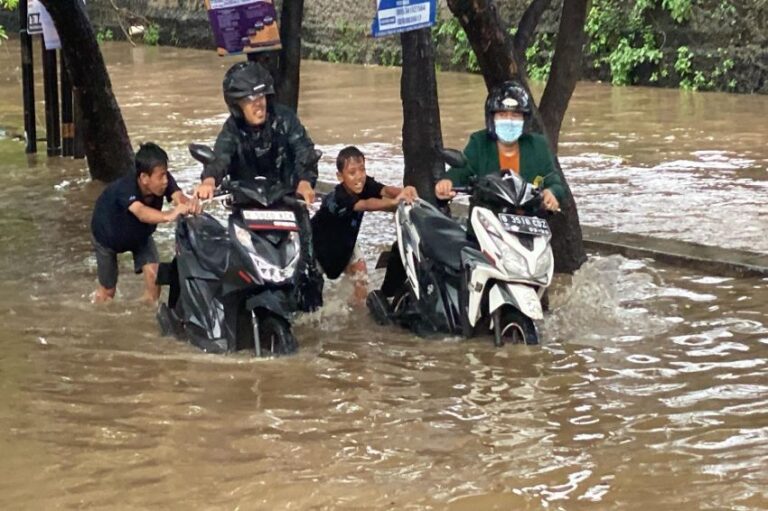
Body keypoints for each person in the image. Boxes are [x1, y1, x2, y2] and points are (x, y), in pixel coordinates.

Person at [195, 60, 323, 311]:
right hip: (247, 208)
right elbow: (221, 157)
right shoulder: (232, 129)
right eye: (250, 97)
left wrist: (305, 182)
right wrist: (209, 180)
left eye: (262, 95)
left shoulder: (285, 119)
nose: (259, 103)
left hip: (288, 205)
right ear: (236, 104)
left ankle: (311, 317)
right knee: (233, 261)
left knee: (308, 269)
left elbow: (304, 151)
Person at [91, 142, 199, 304]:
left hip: (140, 235)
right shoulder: (125, 188)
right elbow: (141, 212)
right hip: (107, 237)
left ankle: (146, 312)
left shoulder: (165, 182)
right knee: (108, 292)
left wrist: (190, 204)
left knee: (154, 276)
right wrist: (170, 215)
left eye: (166, 174)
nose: (165, 181)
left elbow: (179, 197)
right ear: (144, 178)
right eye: (160, 176)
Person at [434, 80, 564, 212]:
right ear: (492, 118)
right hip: (487, 223)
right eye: (502, 115)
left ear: (524, 120)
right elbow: (461, 171)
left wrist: (551, 193)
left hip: (528, 224)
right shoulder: (479, 142)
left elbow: (554, 181)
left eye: (515, 115)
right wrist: (447, 183)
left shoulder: (537, 145)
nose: (509, 120)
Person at [311, 146, 417, 305]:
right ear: (340, 176)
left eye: (362, 170)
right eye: (352, 173)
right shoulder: (338, 197)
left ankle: (358, 315)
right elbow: (365, 204)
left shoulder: (365, 183)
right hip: (318, 248)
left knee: (361, 279)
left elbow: (385, 190)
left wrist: (405, 192)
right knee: (312, 299)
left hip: (346, 244)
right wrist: (394, 202)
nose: (359, 177)